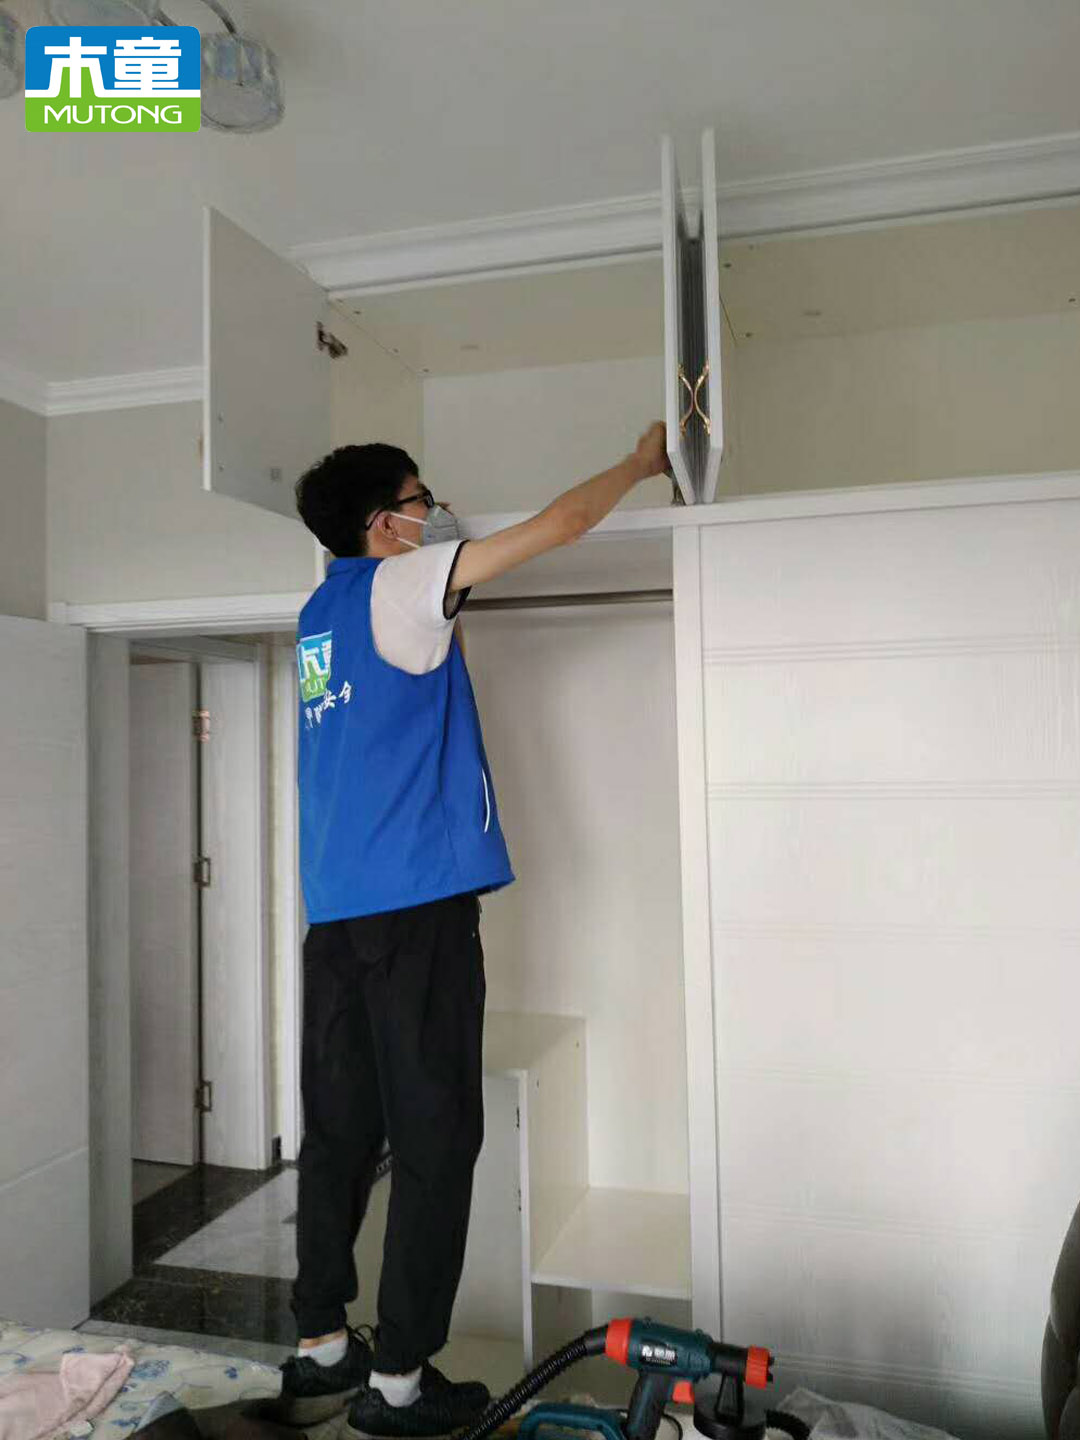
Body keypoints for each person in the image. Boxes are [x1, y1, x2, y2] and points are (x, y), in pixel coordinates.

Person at [280, 422, 669, 1439]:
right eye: (422, 498)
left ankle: (321, 1347)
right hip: (414, 918)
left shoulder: (318, 617)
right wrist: (640, 464)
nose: (435, 509)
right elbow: (565, 522)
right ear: (385, 523)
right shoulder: (403, 582)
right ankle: (398, 1385)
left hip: (337, 922)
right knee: (436, 1139)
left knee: (339, 1134)